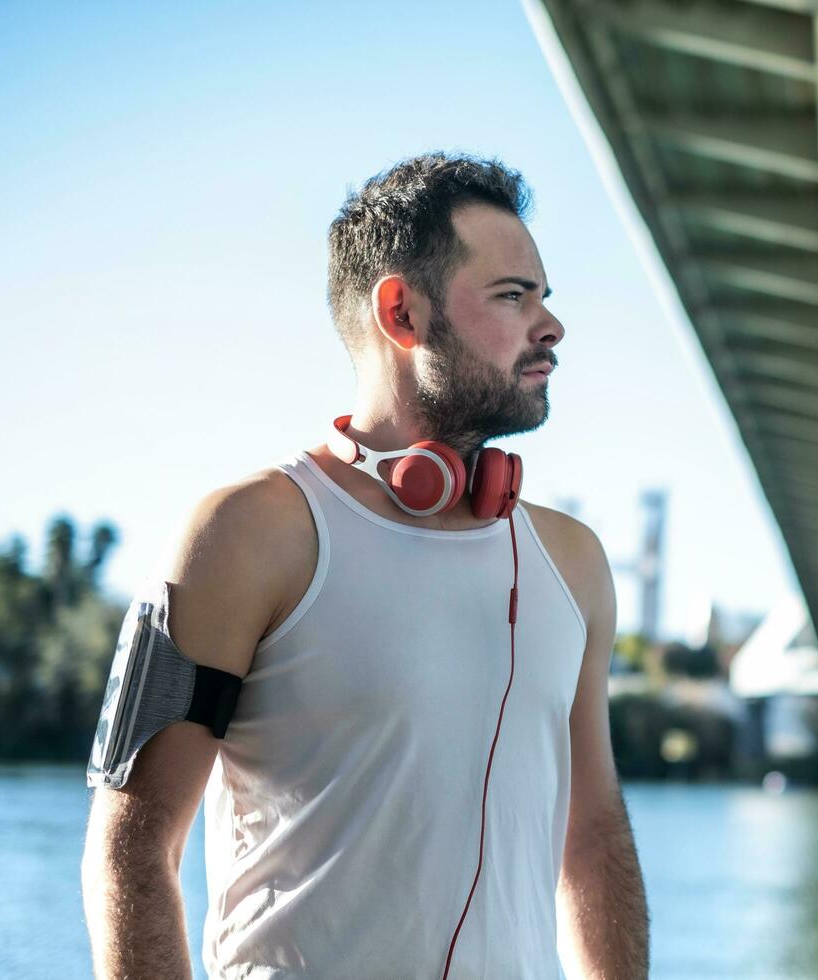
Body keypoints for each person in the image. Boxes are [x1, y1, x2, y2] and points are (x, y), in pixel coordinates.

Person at [81, 152, 650, 978]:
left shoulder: (573, 564)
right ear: (402, 311)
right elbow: (130, 850)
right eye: (512, 296)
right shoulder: (242, 535)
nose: (550, 326)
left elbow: (592, 837)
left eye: (545, 297)